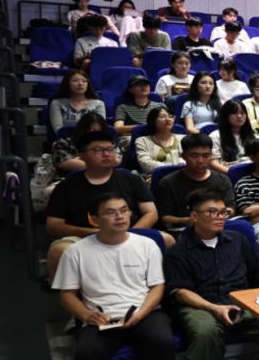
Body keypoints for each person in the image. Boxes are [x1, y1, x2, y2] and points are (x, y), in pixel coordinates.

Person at [52, 193, 175, 360]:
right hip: (101, 317)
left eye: (124, 210)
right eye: (111, 212)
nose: (120, 216)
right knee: (85, 355)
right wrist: (87, 315)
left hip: (143, 312)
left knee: (163, 342)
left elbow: (157, 286)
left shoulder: (146, 245)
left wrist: (141, 313)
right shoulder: (76, 252)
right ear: (93, 219)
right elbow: (67, 295)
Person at [163, 188, 259, 360]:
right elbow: (180, 292)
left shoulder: (238, 240)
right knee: (205, 334)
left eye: (223, 212)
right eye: (212, 212)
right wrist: (214, 308)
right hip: (201, 305)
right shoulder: (178, 251)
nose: (220, 217)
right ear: (194, 216)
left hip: (241, 301)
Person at [45, 131, 161, 278]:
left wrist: (128, 235)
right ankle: (71, 291)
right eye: (98, 150)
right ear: (81, 156)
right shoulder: (66, 186)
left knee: (167, 240)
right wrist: (92, 233)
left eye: (110, 149)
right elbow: (53, 225)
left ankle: (162, 289)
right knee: (59, 251)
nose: (106, 154)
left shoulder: (131, 179)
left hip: (130, 232)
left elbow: (151, 213)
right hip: (84, 237)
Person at [155, 134, 236, 235]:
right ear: (183, 156)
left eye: (205, 156)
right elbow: (165, 218)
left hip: (220, 227)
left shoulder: (222, 180)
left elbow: (231, 208)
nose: (200, 161)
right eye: (194, 156)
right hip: (185, 231)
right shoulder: (168, 182)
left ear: (211, 156)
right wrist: (195, 220)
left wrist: (217, 216)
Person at [52, 113, 116, 177]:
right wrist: (102, 163)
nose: (95, 135)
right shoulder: (64, 143)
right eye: (91, 130)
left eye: (99, 132)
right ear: (82, 129)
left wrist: (81, 160)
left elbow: (117, 160)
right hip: (70, 178)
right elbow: (63, 163)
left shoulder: (108, 143)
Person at [135, 106, 184, 176]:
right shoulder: (142, 141)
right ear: (153, 121)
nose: (168, 119)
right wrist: (173, 167)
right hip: (155, 176)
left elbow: (191, 159)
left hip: (182, 175)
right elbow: (146, 164)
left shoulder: (183, 138)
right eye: (162, 116)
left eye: (170, 116)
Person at [209, 100, 256, 174]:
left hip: (252, 173)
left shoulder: (253, 134)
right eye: (234, 113)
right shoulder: (215, 136)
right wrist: (234, 174)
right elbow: (214, 163)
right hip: (228, 173)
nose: (239, 116)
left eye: (242, 113)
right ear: (226, 116)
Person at [113, 75, 164, 139]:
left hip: (156, 136)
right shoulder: (123, 107)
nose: (144, 87)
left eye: (146, 84)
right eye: (139, 84)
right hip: (133, 137)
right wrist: (142, 128)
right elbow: (118, 128)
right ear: (130, 89)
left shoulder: (160, 106)